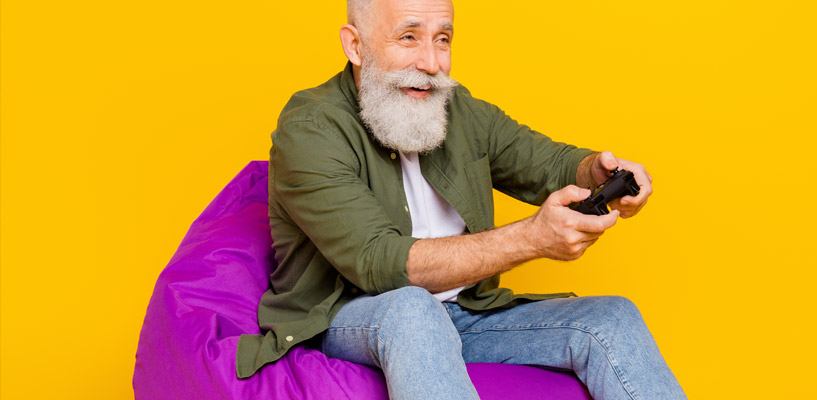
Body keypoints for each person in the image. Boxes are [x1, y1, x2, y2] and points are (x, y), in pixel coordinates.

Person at [234, 0, 686, 398]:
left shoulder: (457, 109)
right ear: (355, 45)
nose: (431, 62)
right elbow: (379, 263)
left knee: (612, 318)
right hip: (345, 317)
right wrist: (531, 239)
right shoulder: (311, 127)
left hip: (465, 313)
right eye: (408, 37)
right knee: (412, 309)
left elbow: (543, 161)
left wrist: (599, 172)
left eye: (442, 39)